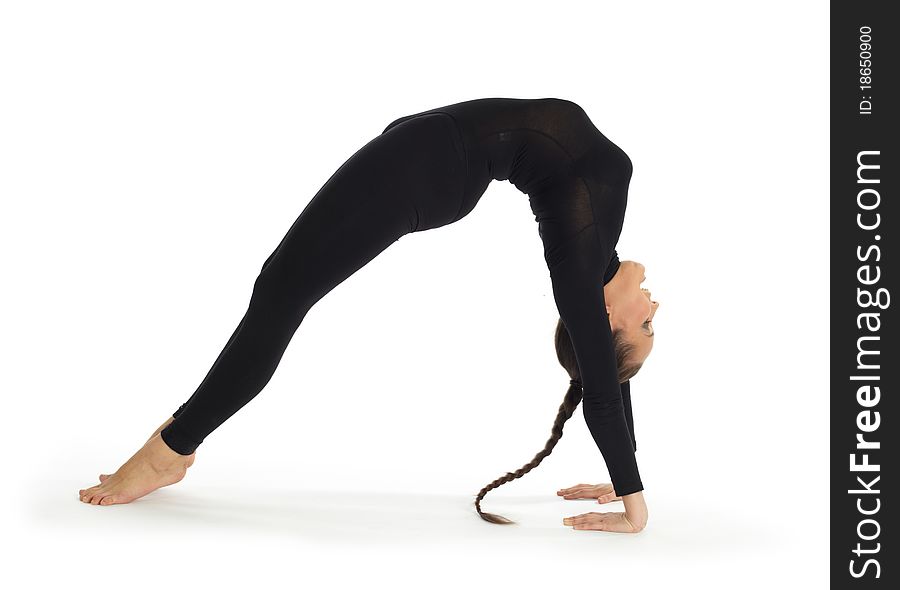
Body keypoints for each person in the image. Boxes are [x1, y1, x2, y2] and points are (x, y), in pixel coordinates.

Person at [78, 98, 659, 534]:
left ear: (607, 318)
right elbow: (605, 379)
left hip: (426, 166)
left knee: (279, 293)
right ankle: (176, 443)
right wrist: (621, 475)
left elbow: (603, 385)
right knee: (279, 289)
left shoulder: (581, 278)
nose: (656, 308)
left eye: (647, 325)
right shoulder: (598, 254)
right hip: (427, 151)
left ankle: (171, 451)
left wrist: (634, 506)